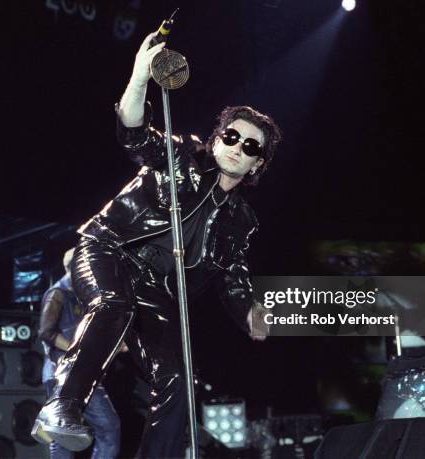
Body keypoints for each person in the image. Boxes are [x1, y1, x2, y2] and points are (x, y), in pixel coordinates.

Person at [32, 31, 281, 458]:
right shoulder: (180, 155)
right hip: (109, 249)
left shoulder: (241, 221)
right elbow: (133, 132)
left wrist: (250, 314)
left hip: (154, 287)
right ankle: (62, 406)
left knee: (180, 378)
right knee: (112, 303)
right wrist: (139, 77)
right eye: (231, 137)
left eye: (251, 146)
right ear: (218, 137)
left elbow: (233, 278)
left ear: (259, 163)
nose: (237, 148)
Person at [36, 249, 121, 459]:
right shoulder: (58, 293)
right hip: (64, 375)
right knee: (105, 429)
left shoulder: (86, 296)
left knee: (63, 433)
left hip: (81, 373)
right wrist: (80, 349)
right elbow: (46, 332)